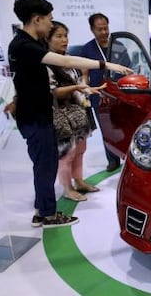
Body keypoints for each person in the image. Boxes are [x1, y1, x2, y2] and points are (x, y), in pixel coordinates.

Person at [8, 0, 132, 228]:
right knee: (46, 165)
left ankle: (42, 211)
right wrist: (106, 64)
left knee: (44, 165)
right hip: (36, 117)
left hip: (35, 115)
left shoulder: (23, 44)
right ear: (36, 19)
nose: (50, 23)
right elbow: (66, 62)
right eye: (48, 19)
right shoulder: (25, 45)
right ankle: (49, 215)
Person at [47, 21, 104, 202]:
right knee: (66, 154)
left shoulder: (69, 60)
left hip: (78, 113)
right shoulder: (48, 64)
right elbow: (54, 92)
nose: (64, 40)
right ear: (48, 40)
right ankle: (67, 188)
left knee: (80, 150)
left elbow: (80, 83)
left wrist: (87, 88)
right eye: (59, 36)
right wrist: (76, 87)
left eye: (65, 36)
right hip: (62, 117)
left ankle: (79, 181)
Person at [80, 13, 130, 172]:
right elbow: (84, 73)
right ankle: (112, 159)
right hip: (99, 96)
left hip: (120, 94)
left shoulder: (119, 45)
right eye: (99, 29)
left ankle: (128, 156)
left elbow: (128, 69)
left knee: (124, 125)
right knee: (106, 127)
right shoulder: (87, 49)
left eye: (105, 28)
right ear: (92, 30)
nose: (103, 32)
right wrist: (86, 93)